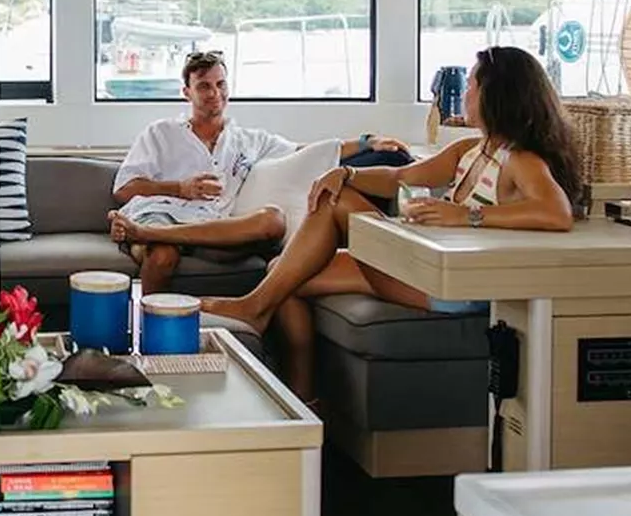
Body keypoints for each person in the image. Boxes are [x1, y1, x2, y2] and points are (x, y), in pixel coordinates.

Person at [201, 46, 582, 400]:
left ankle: (253, 309)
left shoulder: (520, 160)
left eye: (471, 85)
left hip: (449, 286)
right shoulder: (469, 150)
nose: (465, 94)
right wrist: (347, 172)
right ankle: (305, 399)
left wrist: (467, 215)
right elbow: (400, 177)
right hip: (417, 264)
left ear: (496, 95)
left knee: (334, 204)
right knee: (283, 272)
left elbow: (556, 212)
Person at [109, 50, 406, 294]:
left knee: (272, 220)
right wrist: (180, 188)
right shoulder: (161, 132)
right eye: (204, 86)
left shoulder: (249, 140)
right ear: (187, 92)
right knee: (163, 255)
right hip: (162, 212)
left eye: (220, 84)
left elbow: (305, 152)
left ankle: (145, 235)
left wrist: (368, 141)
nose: (215, 93)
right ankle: (150, 330)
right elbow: (123, 189)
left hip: (214, 225)